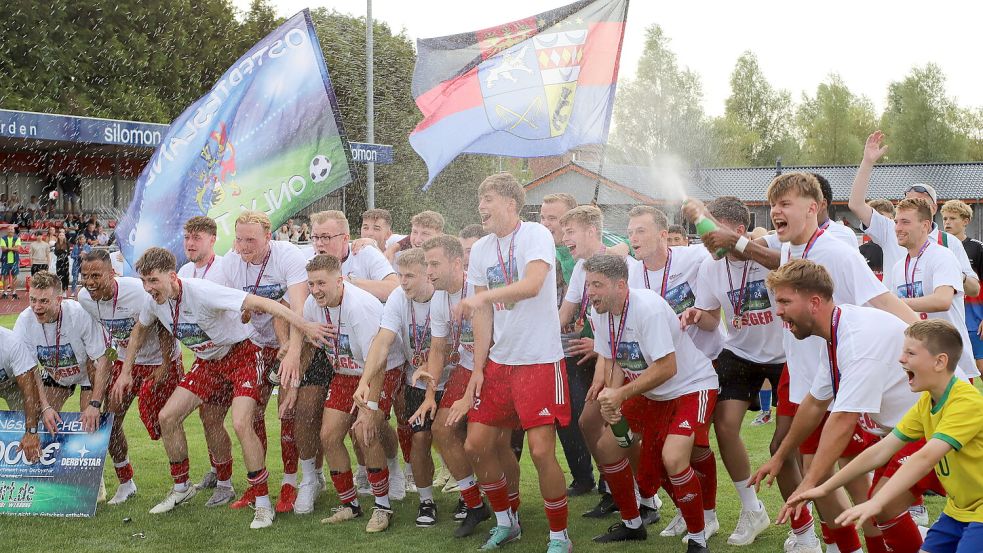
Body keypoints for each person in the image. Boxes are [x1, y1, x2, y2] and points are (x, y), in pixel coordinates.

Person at [128, 247, 329, 529]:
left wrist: (304, 325)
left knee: (241, 422)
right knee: (167, 417)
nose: (148, 288)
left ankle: (262, 502)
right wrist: (126, 371)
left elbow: (266, 304)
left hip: (242, 356)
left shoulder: (203, 291)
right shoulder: (153, 302)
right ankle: (182, 487)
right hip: (209, 364)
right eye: (144, 282)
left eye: (153, 281)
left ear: (172, 276)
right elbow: (140, 328)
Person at [764, 261, 936, 553]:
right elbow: (815, 402)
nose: (778, 310)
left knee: (883, 502)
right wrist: (780, 456)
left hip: (939, 426)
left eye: (784, 301)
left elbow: (842, 419)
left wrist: (809, 483)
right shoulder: (838, 328)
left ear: (814, 302)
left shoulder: (855, 342)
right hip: (910, 430)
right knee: (878, 504)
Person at [786, 320, 983, 553]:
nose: (901, 359)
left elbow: (925, 459)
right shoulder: (927, 401)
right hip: (959, 510)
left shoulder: (966, 404)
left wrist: (876, 502)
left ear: (940, 361)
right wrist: (825, 487)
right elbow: (881, 450)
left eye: (910, 353)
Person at [452, 173, 572, 553]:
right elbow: (483, 316)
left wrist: (480, 300)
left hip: (538, 359)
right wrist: (479, 369)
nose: (480, 207)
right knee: (476, 445)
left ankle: (559, 537)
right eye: (479, 199)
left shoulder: (535, 233)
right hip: (501, 363)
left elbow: (534, 284)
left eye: (487, 199)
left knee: (540, 451)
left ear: (509, 203)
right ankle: (506, 521)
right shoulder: (483, 249)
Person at [586, 254, 719, 552]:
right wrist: (611, 397)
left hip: (691, 386)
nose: (591, 292)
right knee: (606, 447)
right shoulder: (600, 311)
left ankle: (698, 538)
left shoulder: (646, 309)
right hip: (652, 393)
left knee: (673, 458)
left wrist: (620, 395)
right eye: (588, 285)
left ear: (621, 285)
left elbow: (667, 367)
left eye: (597, 285)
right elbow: (615, 360)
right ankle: (633, 523)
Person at [681, 196, 783, 547]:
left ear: (738, 231)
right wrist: (697, 315)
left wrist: (747, 244)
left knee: (787, 443)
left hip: (787, 352)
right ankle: (751, 508)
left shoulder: (770, 251)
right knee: (724, 427)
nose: (706, 241)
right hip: (739, 350)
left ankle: (805, 525)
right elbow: (711, 317)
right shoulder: (711, 266)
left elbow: (782, 254)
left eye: (712, 232)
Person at [287, 209, 404, 505]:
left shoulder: (363, 272)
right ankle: (349, 504)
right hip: (344, 369)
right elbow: (296, 321)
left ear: (344, 237)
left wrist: (367, 408)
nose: (319, 242)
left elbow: (375, 361)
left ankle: (386, 494)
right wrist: (292, 380)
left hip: (380, 364)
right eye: (315, 237)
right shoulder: (314, 286)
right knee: (329, 434)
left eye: (326, 237)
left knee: (368, 429)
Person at [625, 204, 720, 540]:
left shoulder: (692, 259)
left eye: (641, 230)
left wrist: (701, 213)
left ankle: (708, 516)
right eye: (630, 231)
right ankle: (685, 509)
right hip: (660, 376)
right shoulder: (631, 273)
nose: (633, 237)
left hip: (701, 364)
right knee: (647, 447)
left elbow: (721, 248)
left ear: (664, 235)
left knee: (689, 450)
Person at [220, 210, 310, 513]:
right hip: (254, 345)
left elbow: (297, 308)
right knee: (251, 417)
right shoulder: (231, 261)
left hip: (291, 340)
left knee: (288, 413)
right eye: (239, 239)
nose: (244, 246)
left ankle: (289, 482)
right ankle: (256, 486)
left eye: (251, 240)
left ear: (268, 237)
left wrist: (293, 352)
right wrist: (241, 313)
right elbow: (225, 305)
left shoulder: (287, 256)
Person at [79, 249, 182, 506]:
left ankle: (182, 483)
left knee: (167, 422)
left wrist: (166, 365)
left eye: (96, 275)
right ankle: (126, 483)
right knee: (110, 421)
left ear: (112, 274)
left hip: (161, 360)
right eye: (85, 275)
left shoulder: (136, 291)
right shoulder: (84, 298)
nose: (90, 282)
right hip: (127, 362)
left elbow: (163, 323)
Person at [353, 248, 442, 529]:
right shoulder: (398, 297)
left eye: (410, 276)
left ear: (427, 274)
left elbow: (445, 344)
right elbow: (383, 341)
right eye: (400, 275)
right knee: (419, 439)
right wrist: (365, 380)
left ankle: (470, 494)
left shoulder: (443, 296)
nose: (402, 282)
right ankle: (426, 500)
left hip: (450, 375)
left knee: (453, 434)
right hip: (416, 379)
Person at [414, 234, 492, 537]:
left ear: (458, 263)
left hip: (496, 367)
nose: (429, 271)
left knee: (485, 440)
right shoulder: (439, 296)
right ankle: (474, 505)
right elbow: (437, 348)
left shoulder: (479, 288)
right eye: (427, 264)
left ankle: (507, 509)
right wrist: (431, 394)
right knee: (441, 429)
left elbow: (499, 338)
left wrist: (479, 376)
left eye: (435, 264)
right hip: (465, 367)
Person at [847, 131, 980, 298]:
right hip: (900, 323)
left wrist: (953, 273)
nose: (909, 208)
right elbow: (856, 204)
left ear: (932, 209)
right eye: (906, 203)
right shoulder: (892, 230)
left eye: (919, 203)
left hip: (939, 323)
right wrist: (867, 162)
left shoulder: (949, 243)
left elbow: (974, 289)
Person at [176, 216, 238, 506]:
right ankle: (217, 469)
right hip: (205, 356)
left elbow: (243, 303)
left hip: (233, 354)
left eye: (196, 238)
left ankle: (226, 483)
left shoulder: (226, 267)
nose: (190, 243)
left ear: (213, 240)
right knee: (206, 418)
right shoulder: (184, 271)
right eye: (187, 238)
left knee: (223, 419)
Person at [555, 205, 613, 505]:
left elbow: (627, 320)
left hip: (621, 360)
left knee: (612, 423)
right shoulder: (580, 268)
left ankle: (628, 491)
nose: (565, 238)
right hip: (599, 356)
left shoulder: (618, 264)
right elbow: (565, 313)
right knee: (588, 420)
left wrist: (599, 346)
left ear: (591, 231)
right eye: (564, 232)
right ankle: (611, 486)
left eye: (570, 231)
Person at [13, 271, 112, 439]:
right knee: (42, 420)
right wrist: (45, 407)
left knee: (90, 426)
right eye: (33, 300)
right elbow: (30, 369)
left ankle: (122, 464)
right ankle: (49, 462)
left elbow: (103, 358)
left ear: (59, 300)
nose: (37, 307)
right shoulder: (24, 321)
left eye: (44, 301)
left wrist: (95, 404)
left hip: (88, 371)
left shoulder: (79, 313)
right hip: (56, 373)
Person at [886, 199, 978, 379]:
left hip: (951, 362)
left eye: (905, 222)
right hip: (919, 362)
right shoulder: (898, 267)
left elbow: (942, 300)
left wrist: (898, 303)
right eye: (896, 222)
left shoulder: (942, 255)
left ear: (925, 225)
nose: (898, 228)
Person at [941, 199, 983, 375]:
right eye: (944, 219)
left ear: (966, 221)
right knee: (954, 370)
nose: (947, 222)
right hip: (950, 317)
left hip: (975, 319)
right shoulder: (939, 247)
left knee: (980, 368)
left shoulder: (977, 248)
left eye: (952, 218)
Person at [0, 326, 44, 464]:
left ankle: (34, 465)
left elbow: (28, 390)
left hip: (14, 384)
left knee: (30, 419)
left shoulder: (12, 343)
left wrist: (31, 431)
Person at [859, 200, 895, 281]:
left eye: (890, 219)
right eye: (880, 219)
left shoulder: (903, 247)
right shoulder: (861, 251)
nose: (886, 223)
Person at [1, 225, 22, 298]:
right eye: (9, 229)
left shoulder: (17, 238)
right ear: (7, 230)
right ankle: (5, 293)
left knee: (15, 277)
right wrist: (13, 248)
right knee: (5, 277)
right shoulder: (3, 238)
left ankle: (14, 293)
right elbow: (3, 249)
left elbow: (18, 249)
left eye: (11, 229)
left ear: (14, 230)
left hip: (15, 260)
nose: (10, 230)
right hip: (5, 260)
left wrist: (8, 248)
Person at [54, 230, 70, 294]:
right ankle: (60, 289)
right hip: (59, 261)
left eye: (63, 235)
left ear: (64, 236)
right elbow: (56, 253)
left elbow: (68, 253)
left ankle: (64, 289)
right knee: (59, 274)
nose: (61, 236)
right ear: (58, 236)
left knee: (65, 274)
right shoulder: (56, 244)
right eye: (60, 235)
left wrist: (61, 251)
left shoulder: (67, 243)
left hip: (65, 261)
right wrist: (62, 251)